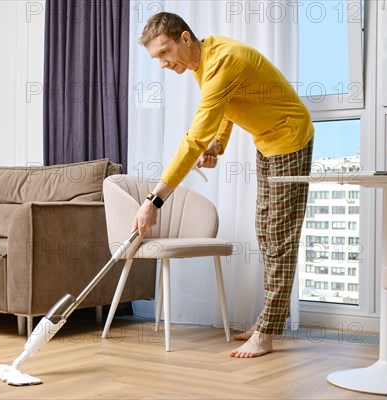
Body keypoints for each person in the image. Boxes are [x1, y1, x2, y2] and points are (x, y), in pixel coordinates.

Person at [133, 12, 314, 358]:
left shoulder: (222, 62)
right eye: (156, 57)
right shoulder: (207, 60)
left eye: (163, 53)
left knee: (280, 236)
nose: (162, 64)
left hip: (290, 137)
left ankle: (268, 330)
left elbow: (191, 142)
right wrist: (219, 144)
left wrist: (152, 202)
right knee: (265, 230)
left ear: (185, 38)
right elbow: (228, 106)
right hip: (268, 141)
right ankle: (267, 321)